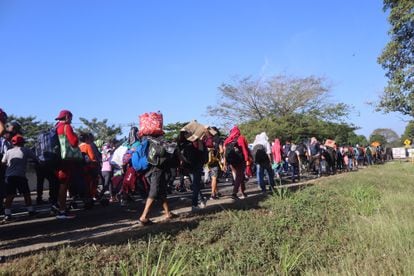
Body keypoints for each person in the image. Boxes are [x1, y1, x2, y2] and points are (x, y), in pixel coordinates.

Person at [1, 135, 38, 221]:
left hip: (9, 176)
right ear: (22, 143)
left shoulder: (8, 151)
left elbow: (3, 163)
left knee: (10, 195)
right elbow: (35, 158)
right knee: (26, 194)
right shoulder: (26, 150)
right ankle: (31, 211)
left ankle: (7, 214)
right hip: (20, 176)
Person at [55, 110, 79, 219]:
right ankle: (62, 211)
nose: (71, 121)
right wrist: (76, 136)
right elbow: (73, 142)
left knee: (60, 184)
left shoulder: (56, 127)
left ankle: (58, 208)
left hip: (56, 159)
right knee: (63, 185)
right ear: (67, 117)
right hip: (65, 159)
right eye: (71, 118)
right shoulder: (66, 127)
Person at [223, 126, 250, 200]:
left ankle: (243, 192)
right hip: (239, 160)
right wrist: (247, 159)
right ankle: (234, 193)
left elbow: (224, 153)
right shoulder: (240, 138)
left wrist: (225, 164)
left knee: (240, 176)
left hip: (231, 161)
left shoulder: (227, 140)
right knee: (239, 176)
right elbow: (244, 149)